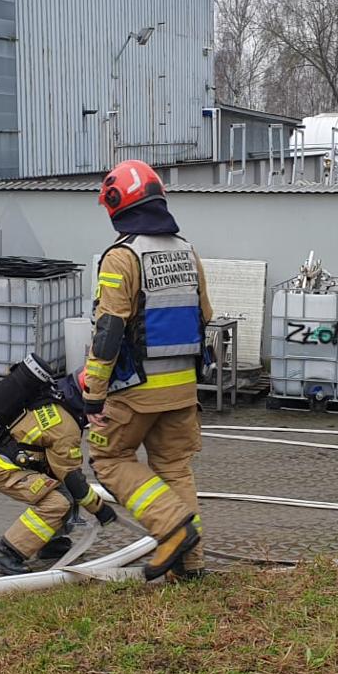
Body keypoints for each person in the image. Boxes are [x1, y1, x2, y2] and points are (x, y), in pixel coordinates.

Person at [81, 160, 212, 581]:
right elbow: (204, 315)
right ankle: (191, 565)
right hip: (183, 388)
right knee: (174, 467)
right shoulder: (186, 250)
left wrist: (93, 392)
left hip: (135, 389)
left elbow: (110, 328)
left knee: (109, 457)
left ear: (117, 205)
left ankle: (170, 527)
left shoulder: (122, 256)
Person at [0, 355, 120, 575]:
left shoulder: (60, 393)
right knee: (58, 502)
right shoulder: (65, 428)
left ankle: (51, 544)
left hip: (17, 461)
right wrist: (100, 509)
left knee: (63, 492)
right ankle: (7, 553)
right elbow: (72, 477)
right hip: (7, 469)